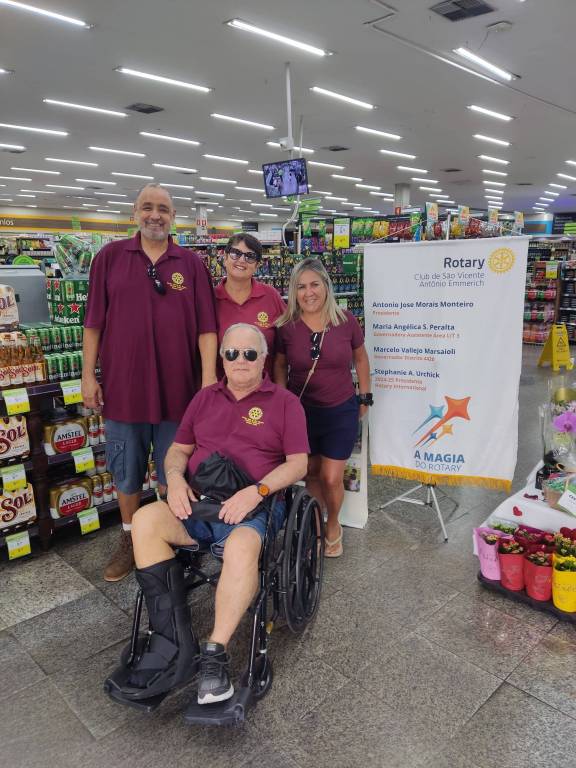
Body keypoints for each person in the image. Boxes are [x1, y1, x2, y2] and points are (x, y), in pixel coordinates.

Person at [122, 323, 308, 704]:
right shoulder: (204, 398)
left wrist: (257, 491)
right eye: (232, 353)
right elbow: (178, 451)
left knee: (240, 548)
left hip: (254, 507)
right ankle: (172, 640)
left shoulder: (285, 403)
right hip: (198, 502)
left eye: (250, 353)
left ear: (263, 359)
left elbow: (298, 464)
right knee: (144, 521)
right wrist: (175, 479)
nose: (240, 360)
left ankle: (214, 654)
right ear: (222, 358)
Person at [82, 183, 218, 583]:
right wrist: (88, 375)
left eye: (162, 208)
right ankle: (129, 537)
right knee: (125, 470)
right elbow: (93, 323)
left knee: (173, 472)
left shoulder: (191, 265)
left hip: (179, 393)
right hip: (124, 391)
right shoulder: (109, 259)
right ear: (134, 213)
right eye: (147, 207)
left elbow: (207, 329)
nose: (154, 215)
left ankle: (169, 538)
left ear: (173, 216)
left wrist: (208, 380)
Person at [274, 257, 372, 558]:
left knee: (331, 476)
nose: (309, 292)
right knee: (312, 473)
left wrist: (365, 395)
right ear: (294, 292)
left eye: (314, 284)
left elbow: (360, 358)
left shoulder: (346, 321)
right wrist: (282, 404)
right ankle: (315, 525)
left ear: (326, 286)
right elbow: (280, 366)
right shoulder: (287, 328)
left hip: (340, 409)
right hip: (302, 413)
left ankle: (333, 524)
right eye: (301, 287)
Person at [214, 233, 285, 379]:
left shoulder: (271, 296)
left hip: (265, 387)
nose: (241, 260)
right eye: (235, 253)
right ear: (225, 258)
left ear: (257, 265)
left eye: (250, 256)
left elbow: (286, 341)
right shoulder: (210, 299)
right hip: (222, 388)